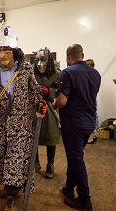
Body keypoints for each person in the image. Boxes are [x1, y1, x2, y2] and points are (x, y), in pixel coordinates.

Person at [0, 24, 44, 210]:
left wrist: (39, 103)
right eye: (0, 51)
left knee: (17, 157)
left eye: (7, 50)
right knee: (2, 155)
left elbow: (34, 92)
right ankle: (7, 186)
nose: (4, 55)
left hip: (21, 122)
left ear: (15, 52)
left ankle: (11, 192)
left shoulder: (25, 68)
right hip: (0, 121)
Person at [53, 44, 100, 210]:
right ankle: (69, 188)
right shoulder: (95, 73)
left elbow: (62, 101)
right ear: (82, 55)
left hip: (73, 123)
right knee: (75, 157)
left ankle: (84, 199)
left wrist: (54, 105)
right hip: (89, 123)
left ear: (68, 57)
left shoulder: (67, 72)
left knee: (77, 160)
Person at [33, 47, 60, 179]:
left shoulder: (57, 74)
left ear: (49, 60)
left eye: (42, 59)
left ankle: (50, 164)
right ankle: (35, 162)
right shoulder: (32, 74)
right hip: (34, 109)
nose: (39, 63)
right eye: (36, 60)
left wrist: (49, 92)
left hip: (50, 110)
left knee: (50, 137)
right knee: (33, 137)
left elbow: (61, 92)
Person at [86, 59, 99, 144]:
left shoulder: (92, 75)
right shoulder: (95, 74)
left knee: (93, 115)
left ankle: (92, 136)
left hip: (90, 98)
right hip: (90, 98)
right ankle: (92, 135)